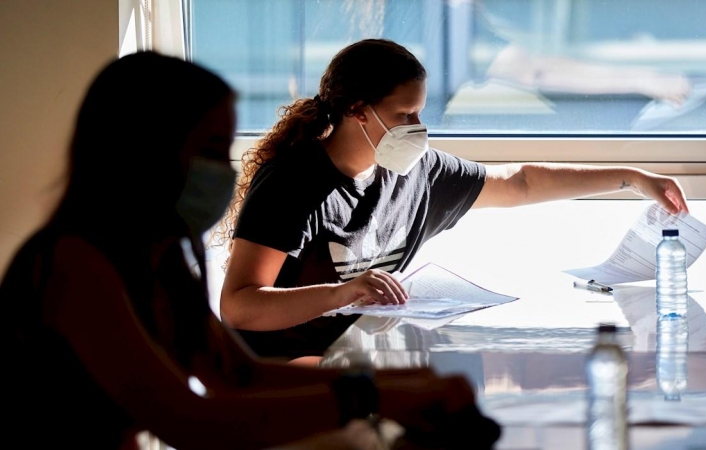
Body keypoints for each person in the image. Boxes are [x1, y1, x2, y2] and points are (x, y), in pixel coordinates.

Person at [0, 50, 501, 450]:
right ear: (143, 151)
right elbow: (188, 421)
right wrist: (374, 394)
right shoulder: (73, 263)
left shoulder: (166, 256)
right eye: (210, 150)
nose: (225, 170)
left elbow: (233, 375)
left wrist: (400, 384)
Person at [214, 38, 690, 358]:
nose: (417, 129)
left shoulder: (418, 171)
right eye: (404, 114)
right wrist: (344, 292)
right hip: (277, 375)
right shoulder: (291, 184)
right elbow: (240, 306)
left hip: (356, 361)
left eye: (420, 111)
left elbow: (519, 182)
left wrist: (630, 178)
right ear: (357, 110)